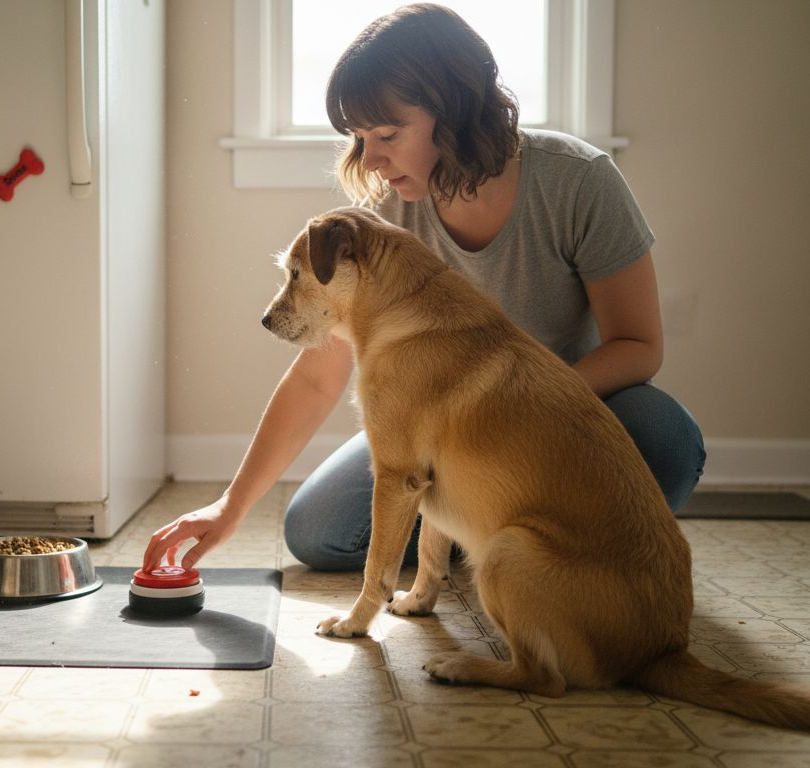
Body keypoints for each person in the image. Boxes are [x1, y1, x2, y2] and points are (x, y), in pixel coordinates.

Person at [144, 2, 704, 573]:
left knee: (665, 437)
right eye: (360, 138)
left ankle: (556, 551)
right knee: (318, 533)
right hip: (441, 424)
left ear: (457, 112)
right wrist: (230, 505)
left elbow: (639, 346)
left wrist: (524, 405)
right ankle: (491, 537)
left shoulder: (579, 181)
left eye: (387, 133)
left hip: (568, 412)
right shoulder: (385, 220)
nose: (372, 158)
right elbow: (319, 376)